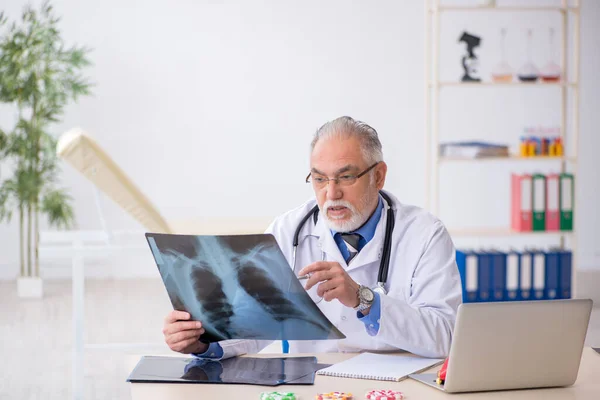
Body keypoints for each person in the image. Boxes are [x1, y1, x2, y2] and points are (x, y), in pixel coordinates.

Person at [162, 116, 462, 360]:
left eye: (345, 177)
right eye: (319, 179)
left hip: (397, 387)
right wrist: (202, 343)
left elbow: (447, 337)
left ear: (379, 176)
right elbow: (251, 322)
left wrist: (364, 299)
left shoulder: (424, 235)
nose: (331, 193)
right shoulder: (287, 230)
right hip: (313, 384)